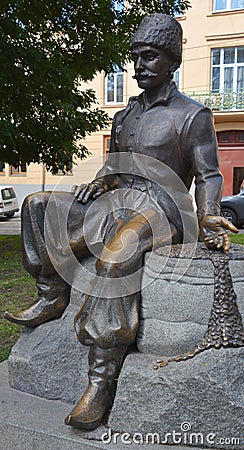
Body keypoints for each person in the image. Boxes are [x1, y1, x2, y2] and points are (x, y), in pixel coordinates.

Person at [4, 14, 238, 431]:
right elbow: (115, 167)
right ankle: (51, 293)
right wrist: (101, 182)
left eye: (150, 57)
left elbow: (209, 175)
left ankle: (102, 379)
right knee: (39, 204)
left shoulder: (192, 114)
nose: (139, 66)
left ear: (172, 62)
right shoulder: (125, 115)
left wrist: (209, 214)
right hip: (117, 200)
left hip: (163, 211)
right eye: (136, 57)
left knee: (117, 256)